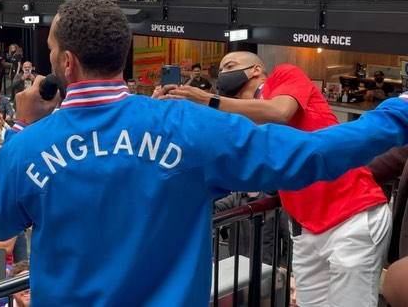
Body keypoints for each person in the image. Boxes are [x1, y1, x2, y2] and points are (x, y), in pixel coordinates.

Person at [0, 0, 408, 306]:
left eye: (50, 52)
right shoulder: (186, 127)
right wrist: (397, 114)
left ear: (67, 64)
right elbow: (310, 155)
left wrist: (27, 126)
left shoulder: (27, 146)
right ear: (122, 55)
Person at [157, 51, 396, 306]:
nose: (224, 73)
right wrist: (169, 111)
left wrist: (208, 100)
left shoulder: (284, 75)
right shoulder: (235, 120)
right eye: (222, 69)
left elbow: (280, 112)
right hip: (306, 228)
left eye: (231, 65)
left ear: (256, 70)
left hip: (351, 215)